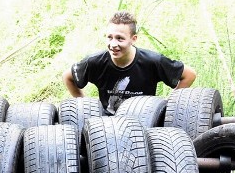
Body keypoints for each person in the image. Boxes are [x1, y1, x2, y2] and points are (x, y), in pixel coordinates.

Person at [62, 11, 197, 115]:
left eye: (120, 39)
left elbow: (189, 75)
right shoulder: (95, 62)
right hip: (108, 125)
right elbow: (68, 77)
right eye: (110, 37)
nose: (113, 44)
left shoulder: (153, 61)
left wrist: (170, 105)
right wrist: (84, 104)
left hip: (144, 121)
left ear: (134, 39)